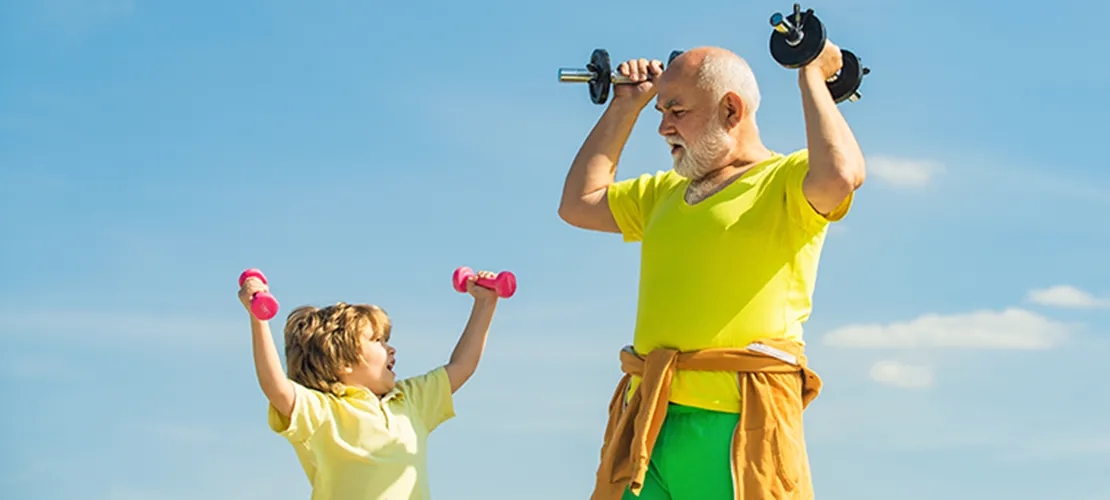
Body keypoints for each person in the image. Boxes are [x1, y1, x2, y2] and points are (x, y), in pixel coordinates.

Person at [557, 42, 865, 500]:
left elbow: (840, 174)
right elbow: (578, 204)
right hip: (646, 423)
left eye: (676, 110)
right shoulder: (663, 192)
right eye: (661, 111)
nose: (663, 127)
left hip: (737, 428)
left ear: (731, 109)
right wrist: (625, 106)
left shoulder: (785, 180)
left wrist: (811, 75)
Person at [237, 270, 502, 500]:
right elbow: (276, 386)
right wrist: (258, 318)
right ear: (343, 362)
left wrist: (485, 303)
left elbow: (461, 366)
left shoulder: (410, 400)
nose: (392, 349)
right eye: (378, 341)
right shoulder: (324, 411)